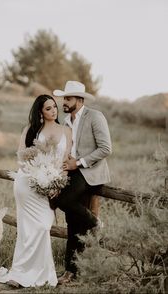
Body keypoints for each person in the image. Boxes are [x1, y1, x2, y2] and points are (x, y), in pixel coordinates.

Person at [0, 94, 72, 288]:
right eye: (48, 108)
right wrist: (37, 174)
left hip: (52, 183)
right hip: (27, 183)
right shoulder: (31, 130)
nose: (53, 110)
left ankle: (41, 273)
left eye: (54, 107)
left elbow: (66, 160)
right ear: (40, 112)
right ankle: (20, 272)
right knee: (27, 230)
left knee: (43, 225)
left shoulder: (66, 131)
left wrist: (57, 182)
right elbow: (21, 158)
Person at [51, 80, 112, 284]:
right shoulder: (66, 121)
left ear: (79, 99)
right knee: (72, 224)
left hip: (90, 173)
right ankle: (71, 271)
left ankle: (96, 222)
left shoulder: (95, 116)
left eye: (67, 99)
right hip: (72, 174)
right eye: (64, 99)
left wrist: (79, 163)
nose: (64, 102)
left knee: (63, 201)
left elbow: (105, 148)